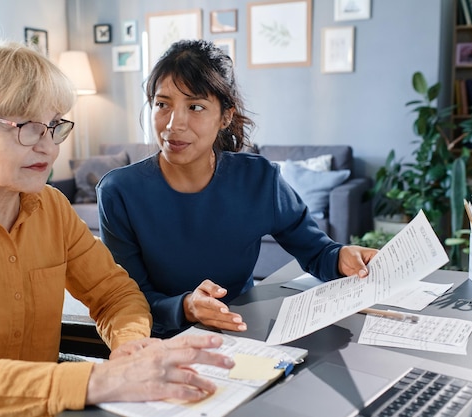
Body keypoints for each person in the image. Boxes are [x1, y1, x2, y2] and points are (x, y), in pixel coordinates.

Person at [0, 37, 234, 417]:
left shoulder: (52, 208)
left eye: (53, 126)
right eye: (27, 126)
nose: (50, 148)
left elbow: (116, 295)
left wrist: (129, 348)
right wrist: (97, 380)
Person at [97, 39, 378, 339]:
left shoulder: (259, 179)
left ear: (225, 117)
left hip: (244, 332)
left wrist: (342, 257)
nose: (173, 125)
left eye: (195, 106)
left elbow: (317, 251)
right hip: (163, 343)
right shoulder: (119, 191)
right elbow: (128, 299)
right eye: (162, 104)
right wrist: (186, 307)